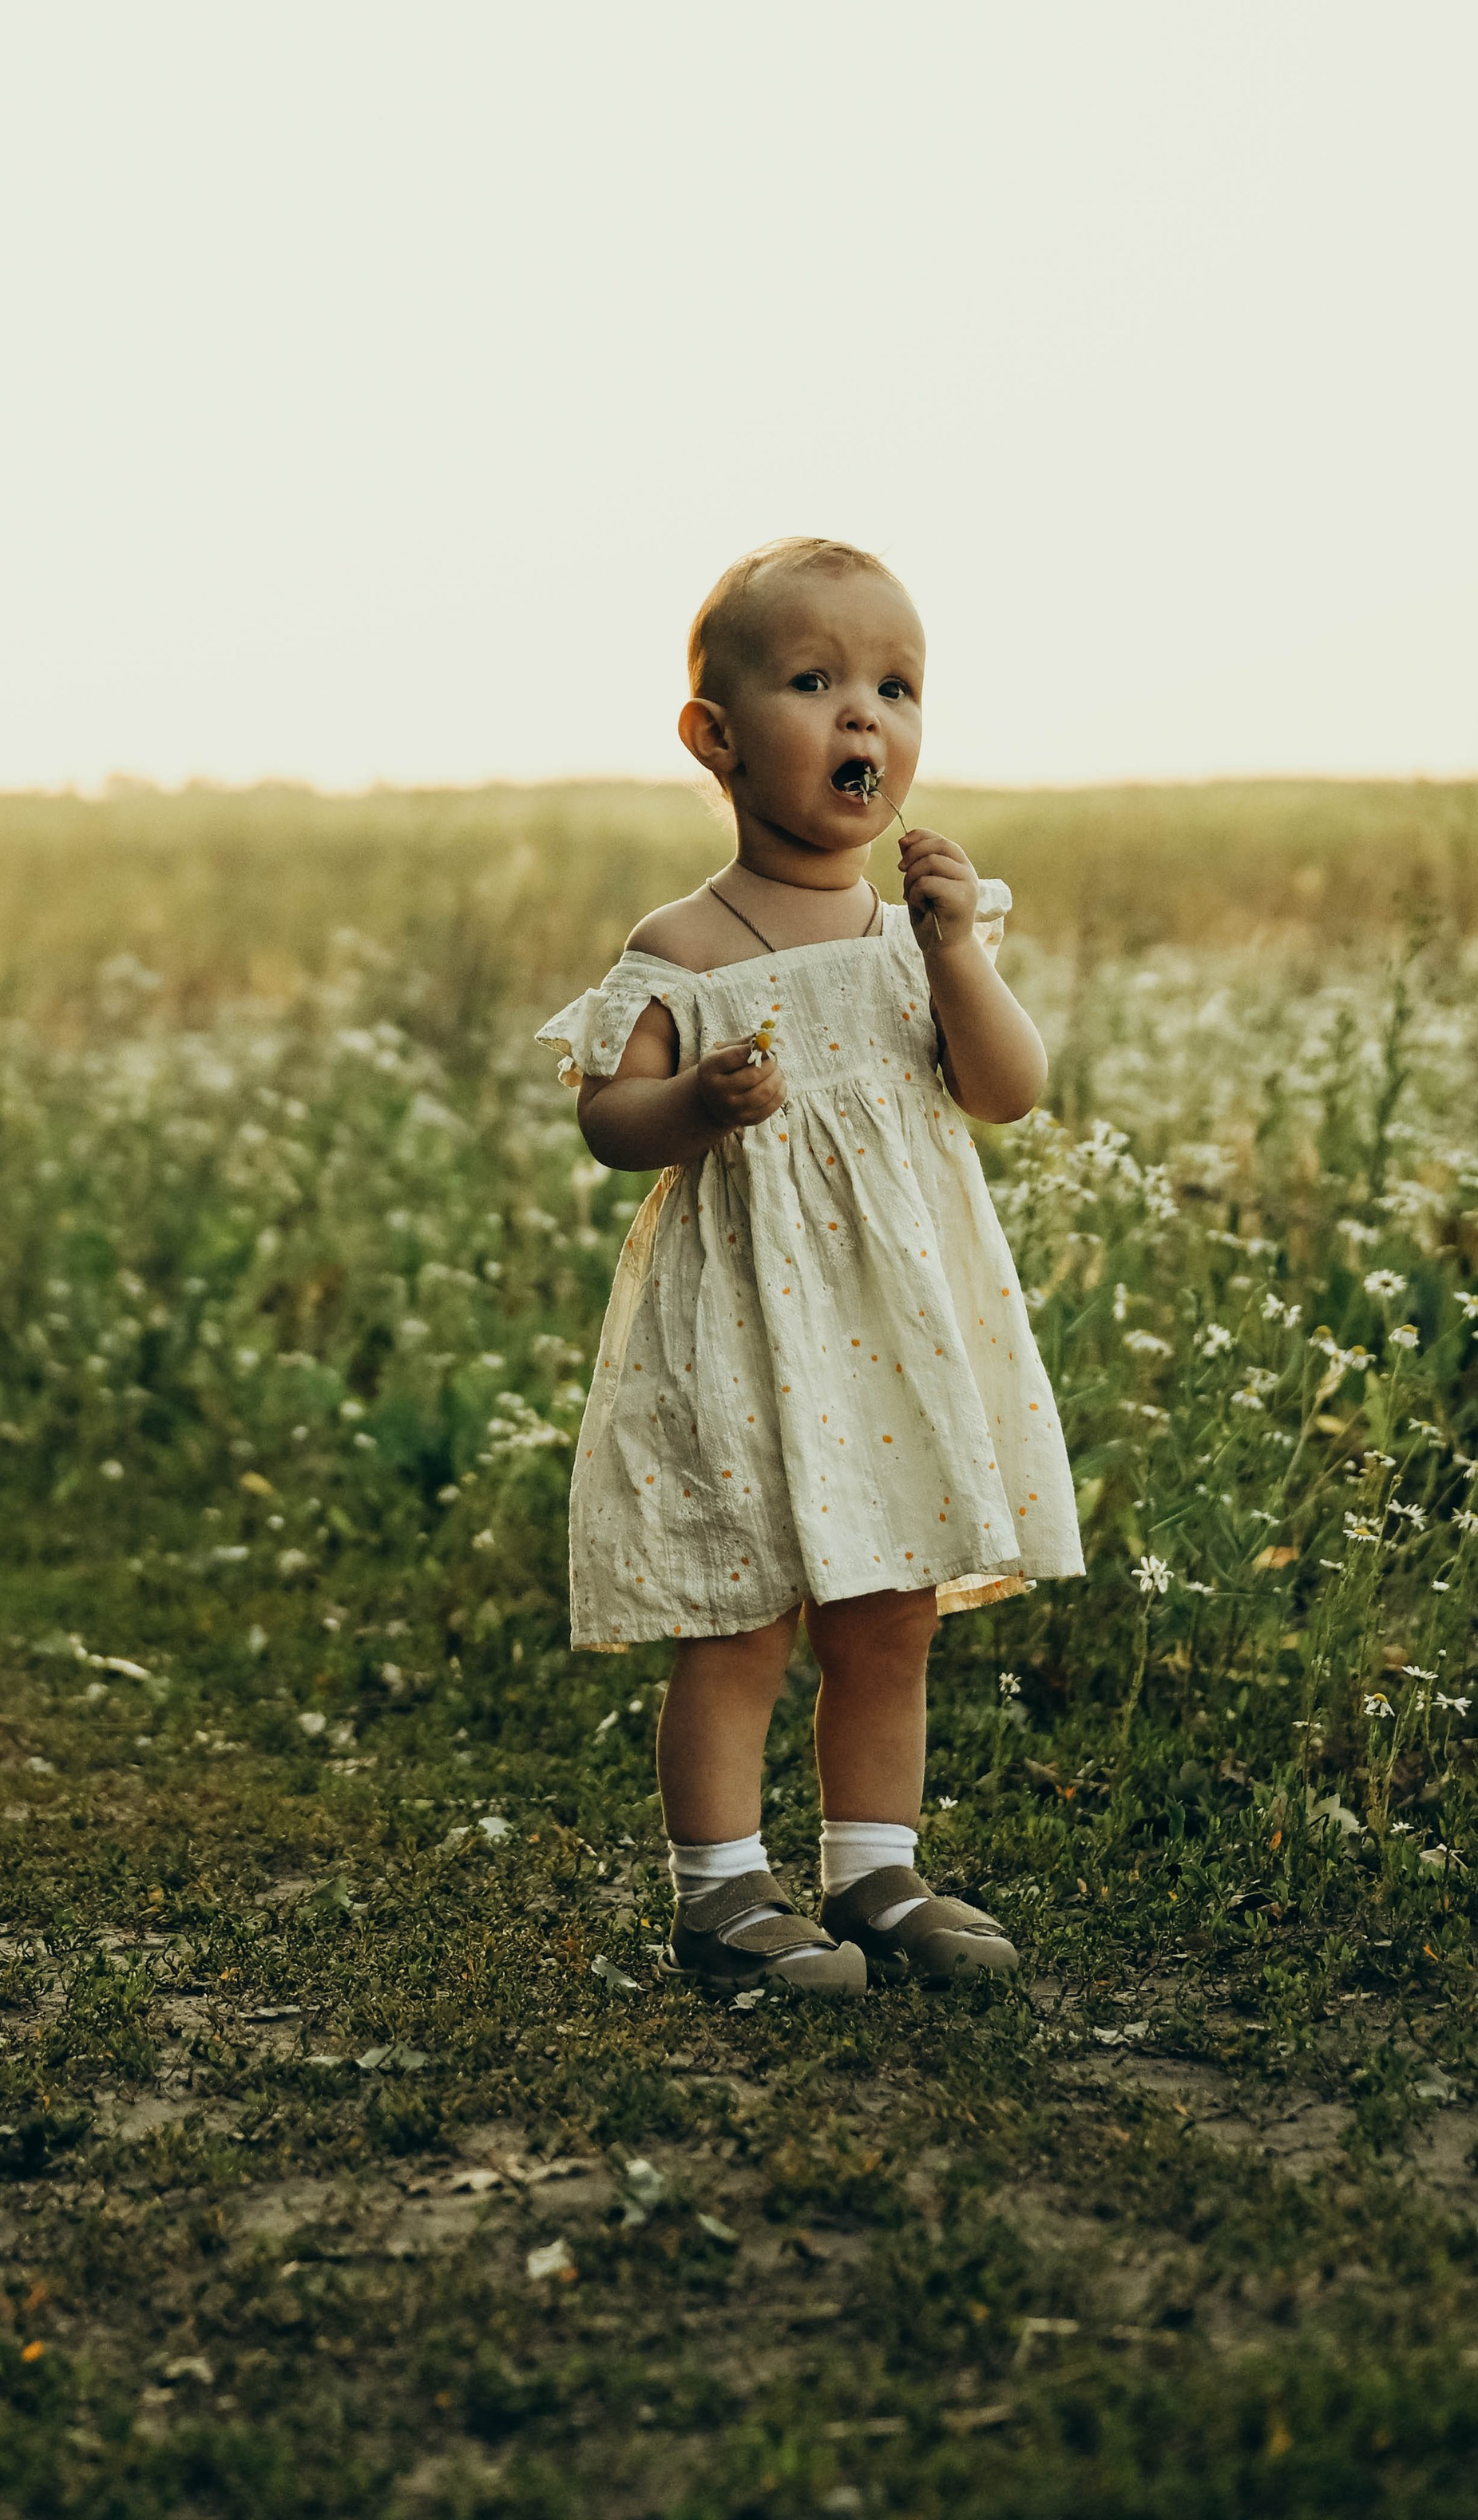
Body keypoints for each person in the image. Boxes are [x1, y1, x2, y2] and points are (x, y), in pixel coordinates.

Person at [537, 536, 1084, 1993]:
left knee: (889, 1606)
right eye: (816, 682)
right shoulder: (684, 946)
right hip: (741, 1331)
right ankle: (721, 1894)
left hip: (895, 1335)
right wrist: (693, 1103)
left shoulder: (918, 936)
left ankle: (875, 1872)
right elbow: (609, 1122)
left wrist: (959, 951)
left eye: (896, 689)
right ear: (714, 737)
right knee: (743, 1608)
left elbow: (1008, 1088)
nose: (865, 717)